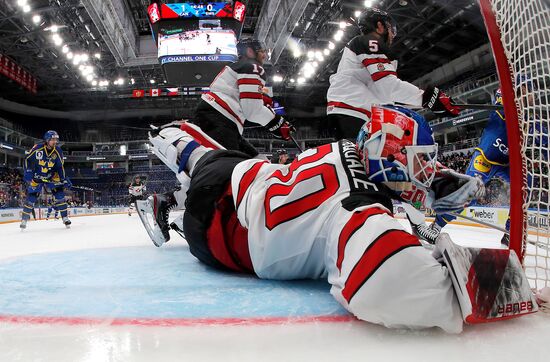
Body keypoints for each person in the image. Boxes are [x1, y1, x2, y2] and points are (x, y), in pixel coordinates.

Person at [137, 105, 536, 332]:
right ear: (391, 155)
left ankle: (167, 137)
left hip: (239, 175)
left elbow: (380, 181)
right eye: (421, 159)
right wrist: (502, 283)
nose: (427, 169)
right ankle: (171, 197)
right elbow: (391, 284)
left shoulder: (348, 148)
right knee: (212, 172)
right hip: (219, 238)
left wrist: (430, 190)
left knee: (200, 155)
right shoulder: (359, 211)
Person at [411, 75, 547, 245]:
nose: (532, 96)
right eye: (528, 90)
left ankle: (510, 231)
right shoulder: (503, 101)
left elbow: (545, 141)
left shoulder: (533, 122)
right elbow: (500, 95)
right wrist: (510, 104)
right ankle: (436, 227)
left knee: (528, 184)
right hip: (485, 157)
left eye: (533, 92)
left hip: (507, 164)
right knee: (468, 194)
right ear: (518, 90)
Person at [326, 8, 460, 141]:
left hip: (347, 110)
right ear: (379, 26)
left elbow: (383, 94)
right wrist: (428, 98)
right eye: (390, 28)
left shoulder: (363, 46)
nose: (393, 34)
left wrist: (423, 104)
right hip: (353, 111)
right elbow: (388, 85)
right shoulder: (369, 41)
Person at [194, 38, 294, 157]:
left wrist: (260, 99)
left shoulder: (237, 66)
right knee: (231, 165)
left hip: (218, 117)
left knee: (256, 160)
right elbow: (252, 111)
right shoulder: (253, 67)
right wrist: (277, 123)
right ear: (250, 52)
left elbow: (238, 95)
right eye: (261, 51)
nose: (265, 55)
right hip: (220, 118)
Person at [20, 130, 71, 229]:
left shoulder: (58, 151)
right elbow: (27, 160)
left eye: (56, 139)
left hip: (52, 176)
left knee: (60, 196)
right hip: (37, 176)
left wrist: (63, 179)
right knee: (32, 197)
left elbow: (60, 167)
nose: (55, 141)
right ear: (47, 140)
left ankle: (65, 218)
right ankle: (24, 220)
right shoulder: (37, 148)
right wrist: (29, 174)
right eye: (53, 139)